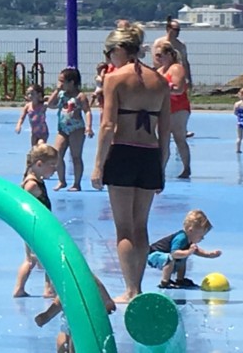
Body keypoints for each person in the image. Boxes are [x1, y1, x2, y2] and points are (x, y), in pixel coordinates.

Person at [90, 22, 171, 304]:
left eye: (108, 52)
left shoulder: (115, 79)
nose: (107, 58)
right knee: (141, 226)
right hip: (149, 154)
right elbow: (166, 130)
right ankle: (138, 286)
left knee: (123, 227)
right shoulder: (160, 81)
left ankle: (131, 289)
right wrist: (161, 166)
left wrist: (98, 164)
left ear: (120, 50)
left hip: (123, 152)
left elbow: (108, 124)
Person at [12, 140, 59, 298]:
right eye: (52, 165)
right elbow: (23, 206)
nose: (55, 169)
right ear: (39, 164)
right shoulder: (31, 185)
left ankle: (20, 289)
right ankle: (48, 289)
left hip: (36, 226)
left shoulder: (35, 180)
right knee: (49, 258)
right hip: (36, 227)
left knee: (32, 260)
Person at [34, 274, 116, 353]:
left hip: (84, 317)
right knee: (66, 333)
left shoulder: (79, 275)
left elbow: (63, 296)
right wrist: (47, 315)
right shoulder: (75, 275)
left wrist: (48, 315)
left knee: (73, 336)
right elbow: (62, 298)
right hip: (77, 315)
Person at [150, 209, 221, 289]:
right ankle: (165, 282)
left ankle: (180, 280)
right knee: (170, 258)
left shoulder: (189, 239)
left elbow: (196, 251)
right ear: (191, 231)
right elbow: (174, 253)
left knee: (183, 257)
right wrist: (188, 252)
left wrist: (209, 254)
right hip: (153, 254)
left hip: (164, 255)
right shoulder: (181, 238)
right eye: (201, 236)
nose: (202, 238)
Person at [47, 69, 93, 191]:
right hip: (62, 129)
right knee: (56, 154)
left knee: (75, 156)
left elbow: (87, 111)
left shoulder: (80, 96)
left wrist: (88, 126)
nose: (60, 84)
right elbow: (50, 105)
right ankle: (62, 181)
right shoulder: (61, 94)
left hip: (76, 128)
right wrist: (57, 90)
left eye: (62, 81)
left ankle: (77, 184)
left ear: (71, 82)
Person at [155, 41, 191, 179]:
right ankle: (160, 170)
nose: (158, 58)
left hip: (179, 108)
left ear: (169, 54)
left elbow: (179, 89)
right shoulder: (159, 71)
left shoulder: (176, 68)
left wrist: (164, 88)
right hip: (164, 109)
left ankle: (186, 168)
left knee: (179, 138)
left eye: (161, 55)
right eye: (156, 56)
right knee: (162, 140)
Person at [235, 88, 243, 153]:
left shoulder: (237, 104)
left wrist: (239, 116)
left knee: (239, 137)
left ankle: (238, 149)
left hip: (240, 122)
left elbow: (235, 113)